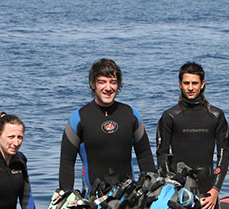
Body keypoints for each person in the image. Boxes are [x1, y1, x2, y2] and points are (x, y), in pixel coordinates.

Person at [156, 61, 229, 209]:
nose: (190, 88)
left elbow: (224, 153)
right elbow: (162, 155)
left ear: (202, 84)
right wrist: (171, 189)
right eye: (186, 83)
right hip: (180, 190)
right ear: (180, 84)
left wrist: (215, 189)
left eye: (195, 83)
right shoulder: (170, 116)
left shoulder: (216, 116)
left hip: (207, 191)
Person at [59, 58, 156, 193]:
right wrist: (66, 194)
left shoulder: (131, 114)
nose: (108, 88)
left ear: (119, 85)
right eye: (102, 82)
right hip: (93, 200)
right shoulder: (78, 118)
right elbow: (67, 163)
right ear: (93, 84)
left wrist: (152, 189)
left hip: (127, 199)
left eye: (113, 82)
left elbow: (144, 155)